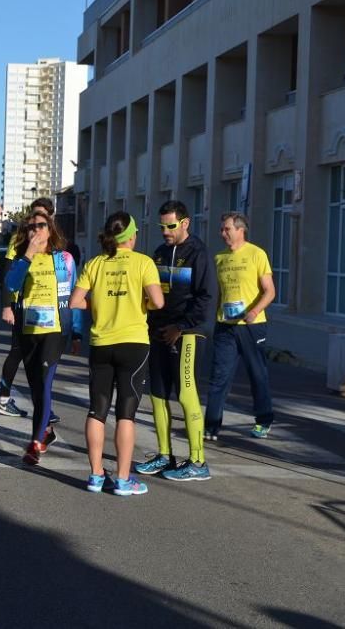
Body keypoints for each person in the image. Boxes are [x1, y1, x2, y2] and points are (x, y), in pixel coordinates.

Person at [70, 212, 164, 496]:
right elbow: (158, 302)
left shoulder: (95, 263)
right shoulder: (143, 262)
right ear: (132, 236)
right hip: (133, 344)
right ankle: (123, 480)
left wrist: (99, 306)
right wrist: (140, 302)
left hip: (102, 343)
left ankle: (96, 475)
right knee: (126, 413)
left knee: (97, 410)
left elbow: (76, 301)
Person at [135, 200, 214, 482]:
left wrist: (180, 327)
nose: (166, 231)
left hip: (188, 333)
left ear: (185, 223)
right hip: (157, 332)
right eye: (162, 226)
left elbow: (205, 298)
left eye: (170, 226)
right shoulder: (158, 253)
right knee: (157, 395)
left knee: (186, 393)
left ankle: (198, 461)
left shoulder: (198, 253)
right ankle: (164, 454)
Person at [4, 211, 83, 466]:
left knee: (45, 384)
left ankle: (35, 443)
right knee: (36, 389)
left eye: (41, 225)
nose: (35, 230)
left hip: (54, 331)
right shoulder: (21, 259)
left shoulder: (64, 259)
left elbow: (74, 296)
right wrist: (27, 254)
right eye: (30, 227)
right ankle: (44, 432)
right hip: (28, 333)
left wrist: (77, 332)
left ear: (50, 230)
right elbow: (10, 286)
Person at [204, 212, 276, 440]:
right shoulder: (219, 258)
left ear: (240, 230)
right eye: (222, 229)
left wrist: (254, 311)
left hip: (252, 326)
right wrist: (214, 319)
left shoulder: (257, 254)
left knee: (257, 374)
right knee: (219, 377)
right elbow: (220, 294)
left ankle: (263, 420)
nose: (222, 233)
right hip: (225, 326)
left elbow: (270, 291)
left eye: (226, 229)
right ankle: (211, 425)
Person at [0, 196, 56, 418]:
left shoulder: (53, 242)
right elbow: (8, 273)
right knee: (17, 351)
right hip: (21, 306)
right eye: (34, 221)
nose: (37, 227)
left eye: (43, 221)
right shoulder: (19, 240)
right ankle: (3, 398)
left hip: (44, 310)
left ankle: (44, 403)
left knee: (39, 358)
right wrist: (7, 305)